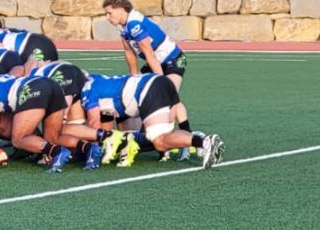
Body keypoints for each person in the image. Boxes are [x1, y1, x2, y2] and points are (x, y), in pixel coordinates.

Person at [0, 69, 103, 173]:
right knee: (53, 138)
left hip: (32, 90)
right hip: (51, 85)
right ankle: (89, 148)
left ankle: (57, 152)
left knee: (18, 140)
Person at [102, 0, 195, 159]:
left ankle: (188, 141)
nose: (107, 17)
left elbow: (149, 53)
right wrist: (134, 76)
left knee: (169, 96)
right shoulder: (122, 26)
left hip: (172, 60)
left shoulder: (134, 24)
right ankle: (157, 140)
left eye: (110, 13)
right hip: (156, 61)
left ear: (121, 9)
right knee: (137, 91)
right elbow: (128, 51)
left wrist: (159, 80)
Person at [83, 73, 225, 170]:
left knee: (159, 141)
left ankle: (204, 142)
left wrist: (88, 151)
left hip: (148, 90)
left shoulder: (86, 91)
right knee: (131, 139)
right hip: (156, 82)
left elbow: (94, 126)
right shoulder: (94, 81)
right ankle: (192, 137)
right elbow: (107, 128)